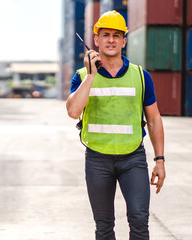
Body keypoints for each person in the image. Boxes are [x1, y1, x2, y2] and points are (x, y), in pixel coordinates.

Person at [66, 10, 166, 240]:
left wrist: (160, 160)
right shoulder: (81, 77)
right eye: (106, 34)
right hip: (97, 159)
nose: (111, 39)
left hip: (133, 158)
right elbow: (73, 112)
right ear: (96, 40)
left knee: (140, 219)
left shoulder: (141, 76)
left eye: (116, 35)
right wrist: (92, 75)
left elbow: (154, 119)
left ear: (124, 40)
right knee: (104, 227)